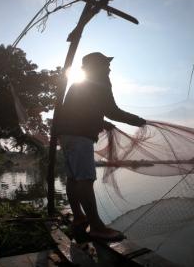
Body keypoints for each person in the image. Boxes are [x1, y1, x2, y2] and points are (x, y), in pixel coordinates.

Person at [56, 52, 146, 242]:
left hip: (66, 136)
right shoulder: (100, 80)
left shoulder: (78, 84)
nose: (109, 68)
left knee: (73, 179)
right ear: (97, 66)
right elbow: (111, 110)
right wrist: (137, 120)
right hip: (80, 137)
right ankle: (96, 227)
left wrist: (102, 123)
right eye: (106, 64)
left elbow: (81, 110)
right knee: (86, 180)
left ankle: (79, 218)